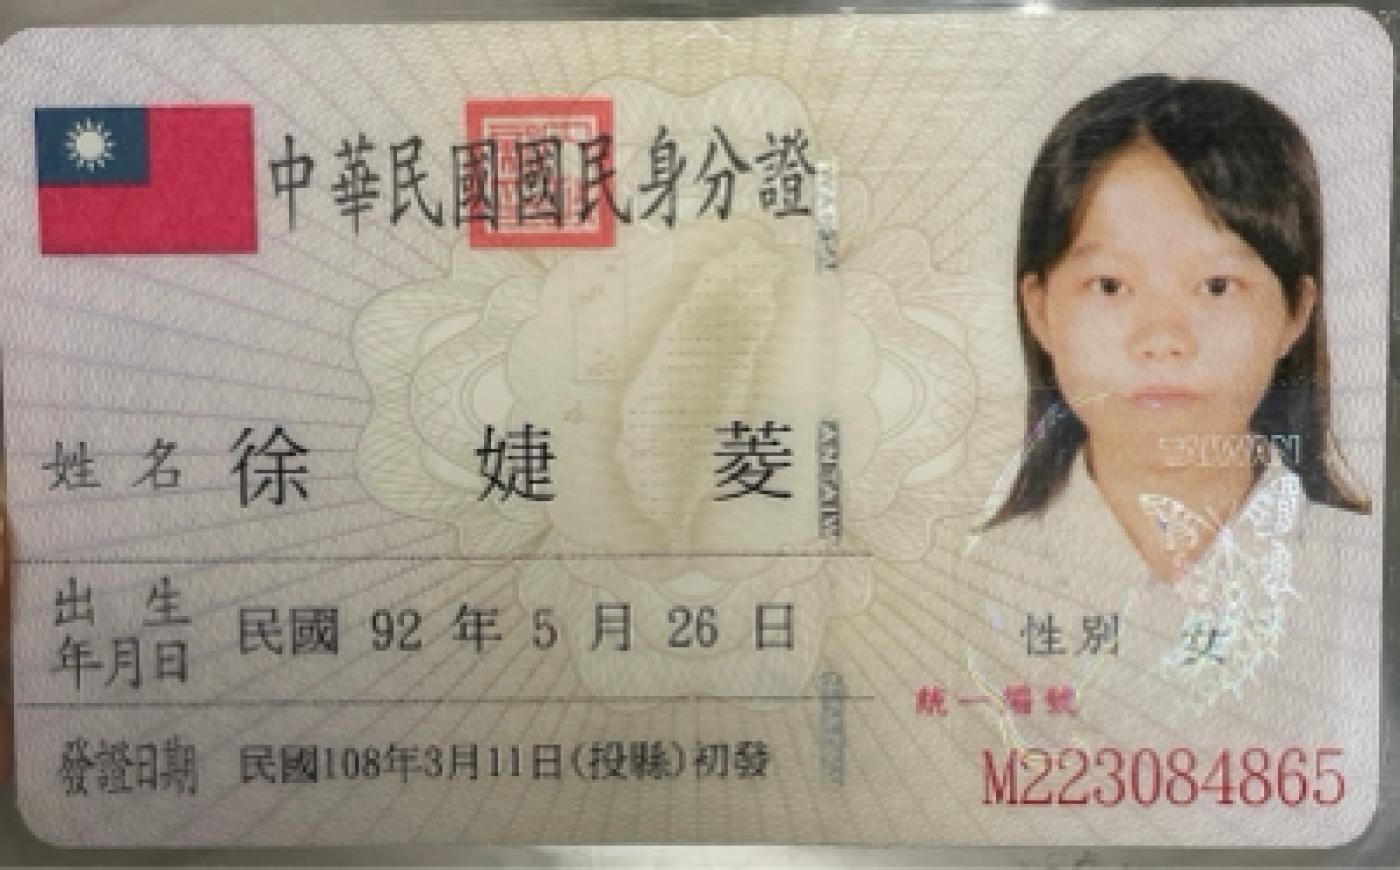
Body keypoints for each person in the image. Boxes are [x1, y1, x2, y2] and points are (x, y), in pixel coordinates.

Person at [948, 75, 1380, 839]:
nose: (1162, 338)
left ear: (1295, 312)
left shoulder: (1369, 574)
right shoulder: (955, 588)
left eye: (1216, 285)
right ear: (1040, 308)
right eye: (1110, 285)